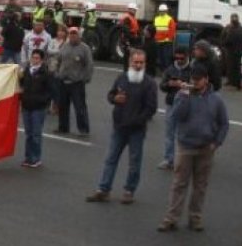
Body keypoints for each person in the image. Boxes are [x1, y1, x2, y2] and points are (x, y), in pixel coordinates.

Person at [157, 65, 229, 232]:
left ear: (206, 80)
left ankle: (195, 218)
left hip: (206, 148)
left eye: (198, 80)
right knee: (179, 184)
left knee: (200, 186)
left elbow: (224, 123)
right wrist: (183, 96)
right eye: (192, 79)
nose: (194, 83)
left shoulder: (216, 100)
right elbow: (176, 116)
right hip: (185, 146)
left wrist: (217, 142)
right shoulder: (183, 95)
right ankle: (171, 218)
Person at [86, 50, 157, 204]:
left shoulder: (149, 83)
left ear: (145, 64)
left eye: (141, 62)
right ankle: (103, 190)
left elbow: (151, 108)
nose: (138, 65)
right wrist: (114, 98)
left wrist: (137, 120)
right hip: (119, 127)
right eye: (136, 62)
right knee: (110, 159)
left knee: (134, 162)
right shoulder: (122, 78)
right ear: (130, 62)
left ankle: (129, 191)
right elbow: (110, 95)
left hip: (136, 129)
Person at [157, 47, 193, 170]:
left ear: (187, 56)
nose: (179, 60)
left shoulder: (192, 70)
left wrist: (185, 86)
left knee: (184, 134)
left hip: (186, 105)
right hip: (171, 104)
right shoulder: (170, 69)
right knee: (169, 133)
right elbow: (162, 86)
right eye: (177, 58)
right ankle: (169, 159)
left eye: (181, 58)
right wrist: (169, 84)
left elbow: (197, 86)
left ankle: (184, 160)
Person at [55, 27, 94, 136]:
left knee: (80, 107)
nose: (72, 36)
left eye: (75, 34)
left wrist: (86, 78)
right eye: (71, 34)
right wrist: (57, 73)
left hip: (77, 83)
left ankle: (83, 129)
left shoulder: (84, 48)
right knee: (62, 106)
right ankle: (63, 127)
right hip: (63, 81)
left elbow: (89, 65)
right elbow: (58, 60)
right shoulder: (64, 46)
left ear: (79, 36)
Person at [19, 49, 54, 168]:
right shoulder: (26, 71)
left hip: (38, 108)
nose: (34, 60)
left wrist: (43, 101)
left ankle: (36, 158)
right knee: (28, 134)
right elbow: (21, 84)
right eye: (33, 57)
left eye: (37, 58)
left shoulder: (46, 73)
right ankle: (28, 158)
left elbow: (51, 91)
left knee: (36, 134)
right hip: (26, 106)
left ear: (42, 60)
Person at [220, 14, 242, 90]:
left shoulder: (228, 28)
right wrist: (241, 47)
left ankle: (232, 82)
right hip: (238, 50)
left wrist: (224, 45)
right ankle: (236, 83)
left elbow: (224, 39)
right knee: (236, 67)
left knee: (231, 66)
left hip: (230, 50)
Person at [153, 4, 177, 71]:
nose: (162, 12)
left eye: (163, 11)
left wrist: (169, 39)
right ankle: (162, 71)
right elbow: (155, 29)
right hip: (158, 41)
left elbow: (172, 30)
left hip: (166, 42)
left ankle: (167, 71)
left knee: (166, 58)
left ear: (166, 11)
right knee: (160, 58)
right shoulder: (156, 19)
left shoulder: (170, 19)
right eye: (161, 11)